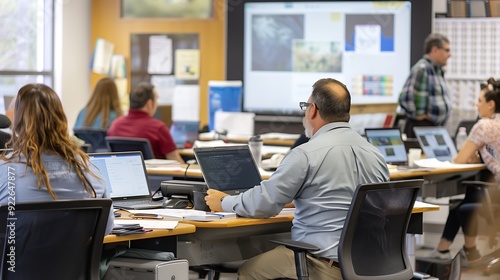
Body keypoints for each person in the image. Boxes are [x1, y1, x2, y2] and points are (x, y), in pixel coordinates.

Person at [204, 78, 390, 280]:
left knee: (249, 270)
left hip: (323, 265)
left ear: (313, 110)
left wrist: (223, 202)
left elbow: (263, 204)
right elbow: (348, 199)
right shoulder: (376, 155)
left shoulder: (306, 154)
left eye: (305, 106)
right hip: (371, 266)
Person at [0, 83, 114, 234]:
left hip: (16, 257)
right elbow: (105, 229)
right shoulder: (90, 170)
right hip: (74, 257)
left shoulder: (5, 171)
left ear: (18, 121)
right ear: (61, 118)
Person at [427, 77, 500, 265]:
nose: (476, 105)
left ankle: (468, 251)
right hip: (493, 184)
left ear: (491, 104)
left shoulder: (484, 126)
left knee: (463, 204)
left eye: (479, 101)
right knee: (467, 197)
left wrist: (471, 155)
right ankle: (448, 248)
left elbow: (459, 159)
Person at [107, 82, 184, 163]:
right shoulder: (158, 128)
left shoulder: (115, 125)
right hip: (154, 175)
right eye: (157, 99)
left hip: (122, 175)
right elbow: (176, 161)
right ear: (149, 103)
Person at [399, 33, 452, 138]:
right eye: (446, 50)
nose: (450, 54)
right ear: (435, 50)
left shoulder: (437, 70)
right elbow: (405, 98)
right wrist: (417, 115)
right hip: (421, 128)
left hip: (433, 128)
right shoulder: (422, 69)